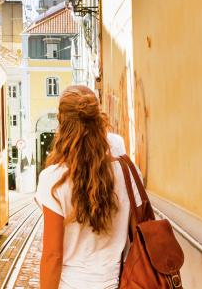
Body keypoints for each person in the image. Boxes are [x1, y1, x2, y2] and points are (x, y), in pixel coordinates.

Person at [34, 85, 141, 289]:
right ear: (99, 120)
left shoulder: (53, 179)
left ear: (62, 124)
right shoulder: (128, 172)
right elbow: (136, 234)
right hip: (118, 282)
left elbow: (52, 256)